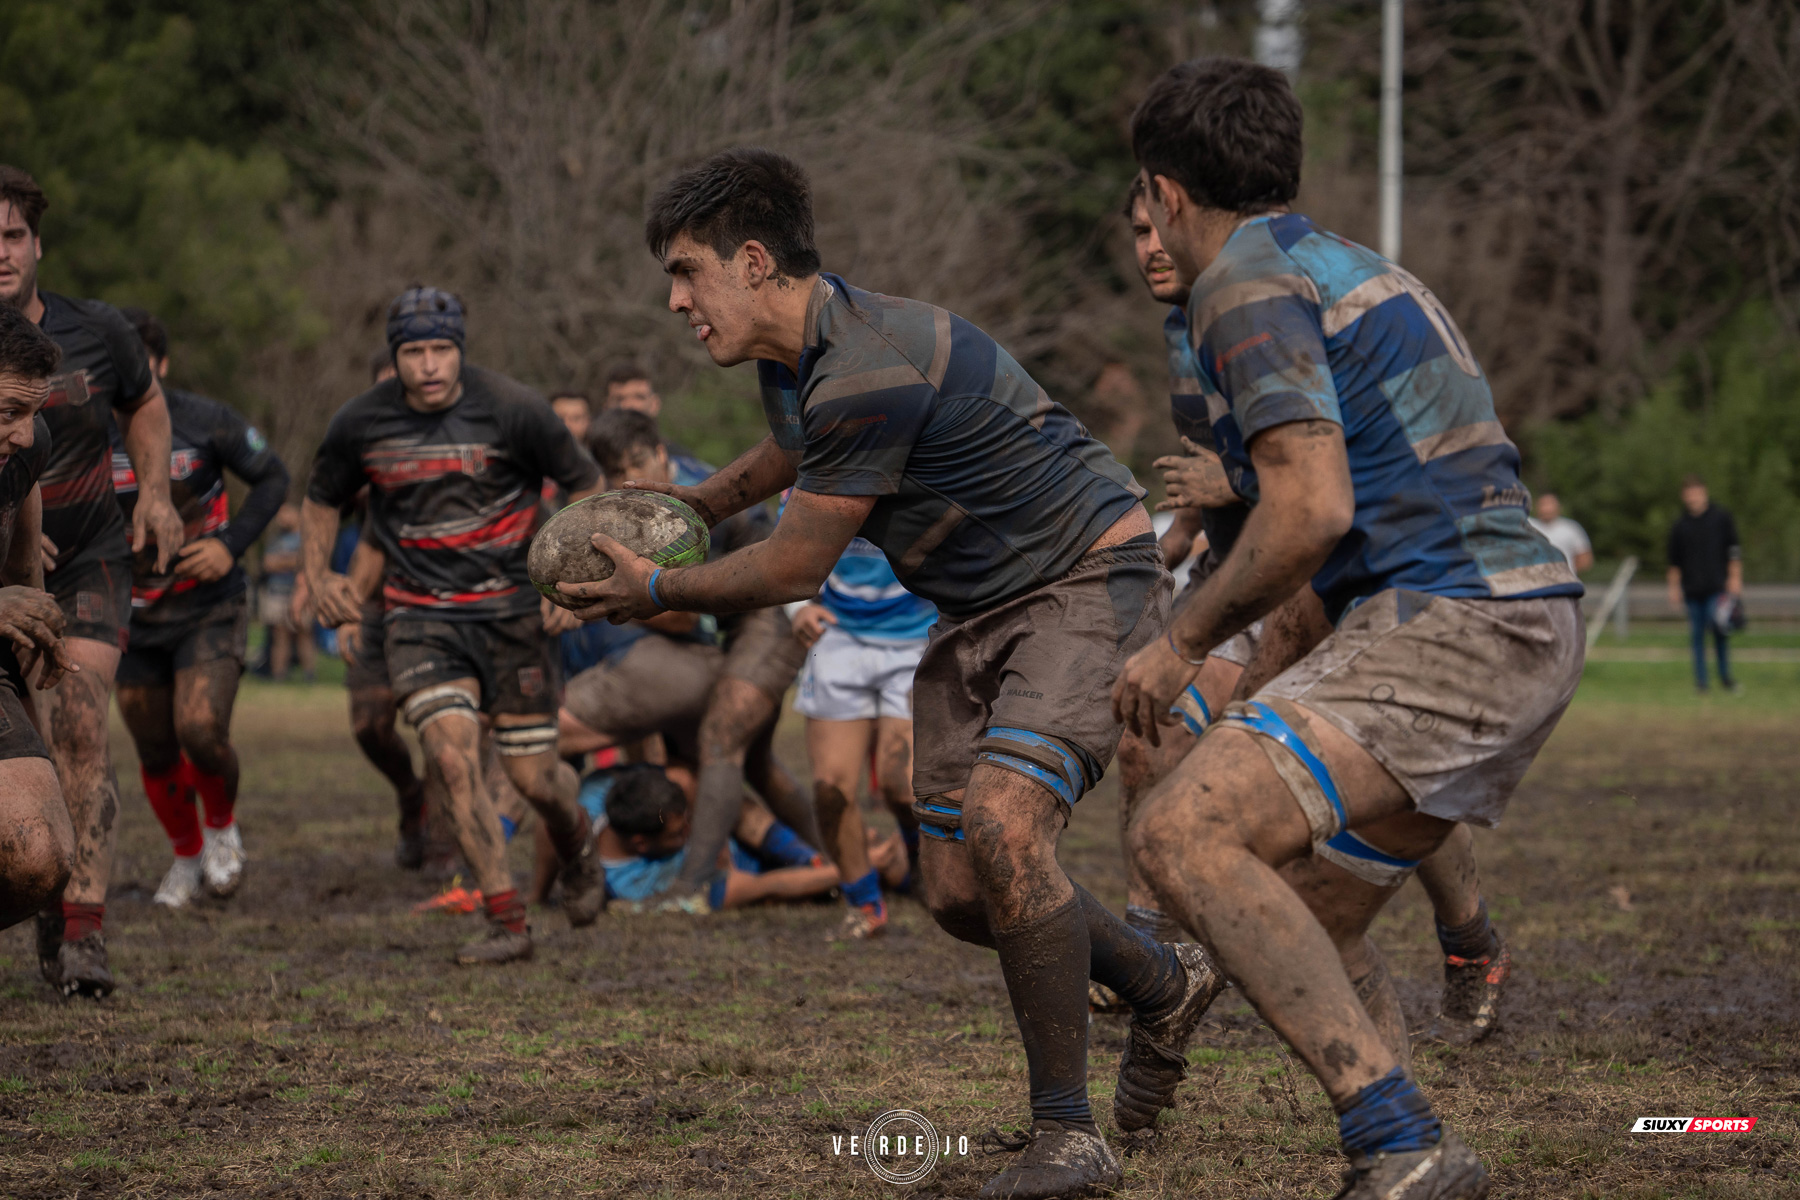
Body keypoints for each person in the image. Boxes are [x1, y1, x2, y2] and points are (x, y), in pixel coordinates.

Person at [561, 147, 1205, 1199]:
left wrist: (661, 589)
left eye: (687, 272)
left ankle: (1066, 1138)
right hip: (976, 608)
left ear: (755, 261)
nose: (676, 300)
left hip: (1090, 581)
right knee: (955, 890)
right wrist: (683, 518)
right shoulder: (795, 363)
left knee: (1004, 828)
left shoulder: (867, 364)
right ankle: (1162, 983)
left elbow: (796, 562)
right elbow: (784, 462)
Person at [1114, 58, 1584, 1199]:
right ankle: (1406, 1152)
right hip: (1522, 625)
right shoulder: (1342, 264)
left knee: (1180, 834)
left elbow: (1312, 509)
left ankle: (1401, 1140)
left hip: (1457, 624)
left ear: (1169, 190)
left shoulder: (1240, 285)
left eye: (1144, 205)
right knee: (1317, 914)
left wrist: (1179, 639)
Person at [1114, 180, 1515, 1057]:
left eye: (1160, 226)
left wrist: (1233, 489)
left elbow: (1317, 471)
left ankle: (1468, 933)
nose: (1150, 245)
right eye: (1135, 231)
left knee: (1378, 780)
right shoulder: (1187, 324)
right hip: (1236, 569)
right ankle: (1164, 961)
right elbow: (1218, 456)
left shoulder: (1274, 299)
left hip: (1311, 570)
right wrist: (1182, 531)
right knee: (1149, 743)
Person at [303, 286, 607, 965]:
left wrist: (569, 575)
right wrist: (318, 576)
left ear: (461, 351)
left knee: (536, 782)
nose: (430, 365)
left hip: (511, 616)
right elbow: (322, 496)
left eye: (442, 350)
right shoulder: (360, 422)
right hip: (420, 617)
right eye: (414, 352)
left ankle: (577, 843)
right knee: (449, 756)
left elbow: (585, 486)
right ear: (395, 357)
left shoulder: (515, 408)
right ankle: (507, 921)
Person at [0, 166, 186, 999]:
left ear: (38, 244)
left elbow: (144, 407)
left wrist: (154, 493)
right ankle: (41, 867)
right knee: (30, 726)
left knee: (78, 715)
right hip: (17, 566)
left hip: (88, 556)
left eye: (11, 236)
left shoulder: (97, 329)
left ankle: (82, 930)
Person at [557, 408, 823, 902]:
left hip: (771, 609)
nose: (626, 482)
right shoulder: (618, 505)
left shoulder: (693, 494)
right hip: (722, 609)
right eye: (613, 473)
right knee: (755, 763)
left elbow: (677, 615)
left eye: (635, 465)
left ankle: (693, 885)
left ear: (661, 454)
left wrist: (587, 601)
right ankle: (835, 861)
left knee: (722, 736)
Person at [111, 308, 289, 908]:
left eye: (137, 364)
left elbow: (273, 478)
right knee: (155, 747)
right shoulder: (83, 431)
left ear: (159, 364)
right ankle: (185, 857)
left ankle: (221, 830)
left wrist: (229, 546)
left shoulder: (206, 420)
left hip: (208, 605)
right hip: (128, 612)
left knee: (200, 729)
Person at [791, 532, 934, 939]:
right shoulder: (813, 472)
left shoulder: (929, 468)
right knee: (830, 789)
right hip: (837, 638)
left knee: (902, 786)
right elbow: (789, 546)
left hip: (917, 637)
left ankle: (915, 855)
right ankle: (864, 903)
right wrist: (798, 608)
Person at [0, 303, 79, 934]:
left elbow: (22, 565)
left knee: (38, 854)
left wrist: (38, 624)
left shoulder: (25, 450)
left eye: (33, 412)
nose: (24, 434)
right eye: (8, 413)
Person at [585, 764, 861, 910]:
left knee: (714, 793)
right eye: (678, 834)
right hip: (738, 875)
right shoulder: (632, 885)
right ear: (640, 844)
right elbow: (725, 887)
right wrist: (722, 867)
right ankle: (859, 867)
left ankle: (812, 859)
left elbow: (681, 778)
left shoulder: (597, 795)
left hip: (748, 840)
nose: (693, 832)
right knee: (741, 891)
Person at [1667, 475, 1741, 692]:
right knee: (1697, 636)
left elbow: (1734, 550)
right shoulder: (1680, 525)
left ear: (1704, 492)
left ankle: (1726, 678)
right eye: (1689, 493)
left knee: (1719, 629)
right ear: (1684, 496)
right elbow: (1674, 562)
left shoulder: (1721, 518)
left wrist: (1735, 578)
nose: (1693, 497)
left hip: (1717, 587)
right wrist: (1674, 588)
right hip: (1691, 589)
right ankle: (1702, 683)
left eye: (1696, 492)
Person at [258, 505, 313, 682]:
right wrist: (291, 561)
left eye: (285, 513)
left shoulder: (306, 538)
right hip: (277, 593)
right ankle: (279, 676)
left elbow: (305, 562)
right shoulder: (275, 538)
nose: (281, 518)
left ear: (296, 514)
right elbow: (267, 564)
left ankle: (309, 676)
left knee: (304, 634)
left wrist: (281, 562)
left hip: (300, 592)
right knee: (279, 636)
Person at [1529, 492, 1593, 573]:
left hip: (1565, 579)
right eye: (1543, 504)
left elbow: (1585, 558)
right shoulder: (1527, 525)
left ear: (1558, 507)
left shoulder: (1571, 528)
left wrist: (1569, 572)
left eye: (1550, 504)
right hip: (1535, 580)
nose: (1546, 509)